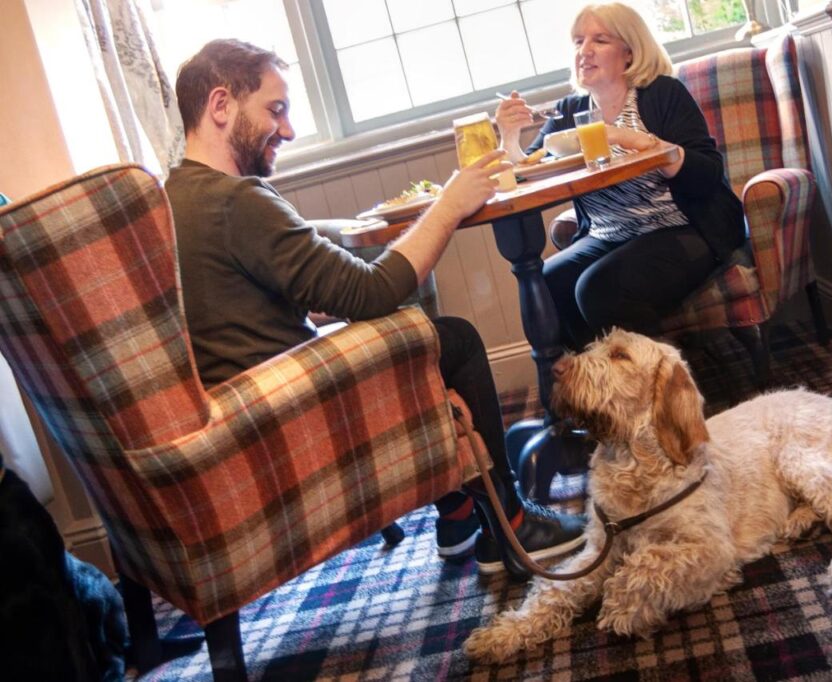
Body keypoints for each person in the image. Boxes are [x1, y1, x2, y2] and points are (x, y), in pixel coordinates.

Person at [164, 39, 584, 580]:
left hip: (238, 406)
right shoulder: (236, 201)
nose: (288, 131)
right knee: (450, 339)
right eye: (276, 109)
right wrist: (450, 204)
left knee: (394, 330)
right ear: (220, 106)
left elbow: (235, 304)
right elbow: (371, 291)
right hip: (288, 416)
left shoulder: (172, 197)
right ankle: (511, 521)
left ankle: (457, 516)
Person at [495, 2, 745, 352]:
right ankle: (599, 389)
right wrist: (509, 138)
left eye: (599, 40)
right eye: (579, 41)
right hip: (609, 234)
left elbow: (706, 174)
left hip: (683, 228)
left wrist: (629, 138)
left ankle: (656, 389)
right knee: (548, 283)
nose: (584, 51)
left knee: (598, 288)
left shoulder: (662, 94)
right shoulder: (571, 111)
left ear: (629, 52)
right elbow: (526, 174)